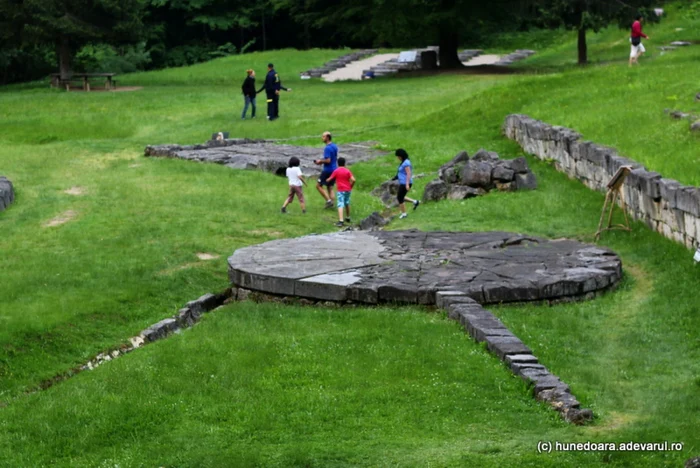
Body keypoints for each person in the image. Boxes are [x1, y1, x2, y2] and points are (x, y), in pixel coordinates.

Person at [326, 157, 355, 227]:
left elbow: (329, 179)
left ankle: (341, 220)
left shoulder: (336, 171)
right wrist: (351, 186)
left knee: (340, 204)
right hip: (348, 189)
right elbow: (353, 180)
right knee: (347, 202)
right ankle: (348, 217)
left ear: (337, 163)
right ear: (344, 163)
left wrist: (326, 180)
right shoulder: (347, 171)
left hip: (341, 190)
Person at [313, 131, 338, 209]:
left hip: (328, 170)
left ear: (327, 137)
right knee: (330, 187)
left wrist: (320, 161)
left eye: (323, 136)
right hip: (334, 169)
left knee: (318, 186)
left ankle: (328, 201)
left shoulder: (327, 148)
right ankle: (332, 204)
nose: (322, 138)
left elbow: (328, 160)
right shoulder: (334, 146)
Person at [393, 148, 420, 219]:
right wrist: (396, 177)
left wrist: (407, 184)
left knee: (400, 198)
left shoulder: (406, 163)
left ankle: (404, 214)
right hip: (403, 182)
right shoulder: (404, 162)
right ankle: (415, 202)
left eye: (398, 156)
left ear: (401, 156)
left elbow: (408, 173)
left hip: (405, 183)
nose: (398, 158)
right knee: (401, 196)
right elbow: (401, 172)